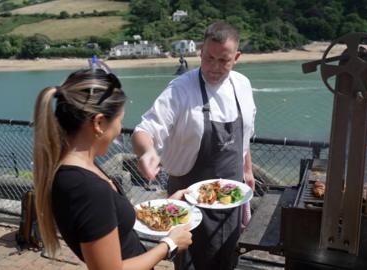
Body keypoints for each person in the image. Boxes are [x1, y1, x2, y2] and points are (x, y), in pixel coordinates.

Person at [32, 60, 192, 270]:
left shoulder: (82, 169)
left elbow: (110, 217)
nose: (119, 130)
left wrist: (165, 209)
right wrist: (170, 244)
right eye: (119, 120)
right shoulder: (86, 188)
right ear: (98, 123)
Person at [132, 21, 256, 270]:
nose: (215, 67)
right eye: (209, 58)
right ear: (200, 52)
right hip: (187, 198)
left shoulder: (242, 85)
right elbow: (144, 130)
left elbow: (244, 135)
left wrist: (248, 169)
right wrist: (147, 152)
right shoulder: (180, 90)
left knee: (226, 259)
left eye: (224, 60)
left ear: (237, 57)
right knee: (190, 264)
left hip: (230, 197)